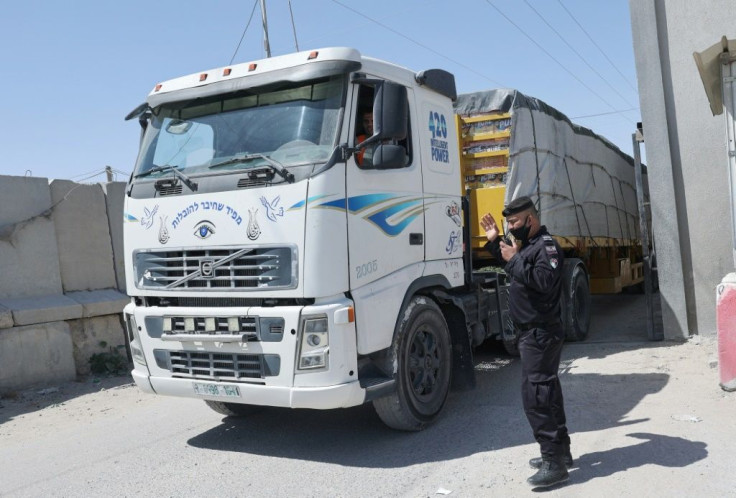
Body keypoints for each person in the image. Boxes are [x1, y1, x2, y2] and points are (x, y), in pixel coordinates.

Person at [480, 196, 572, 488]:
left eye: (514, 222)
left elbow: (542, 280)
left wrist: (514, 258)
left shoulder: (546, 246)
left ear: (530, 220)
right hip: (530, 333)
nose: (510, 227)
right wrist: (496, 244)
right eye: (508, 223)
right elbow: (517, 268)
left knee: (536, 397)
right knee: (548, 392)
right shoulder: (529, 247)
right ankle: (561, 452)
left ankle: (553, 463)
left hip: (540, 333)